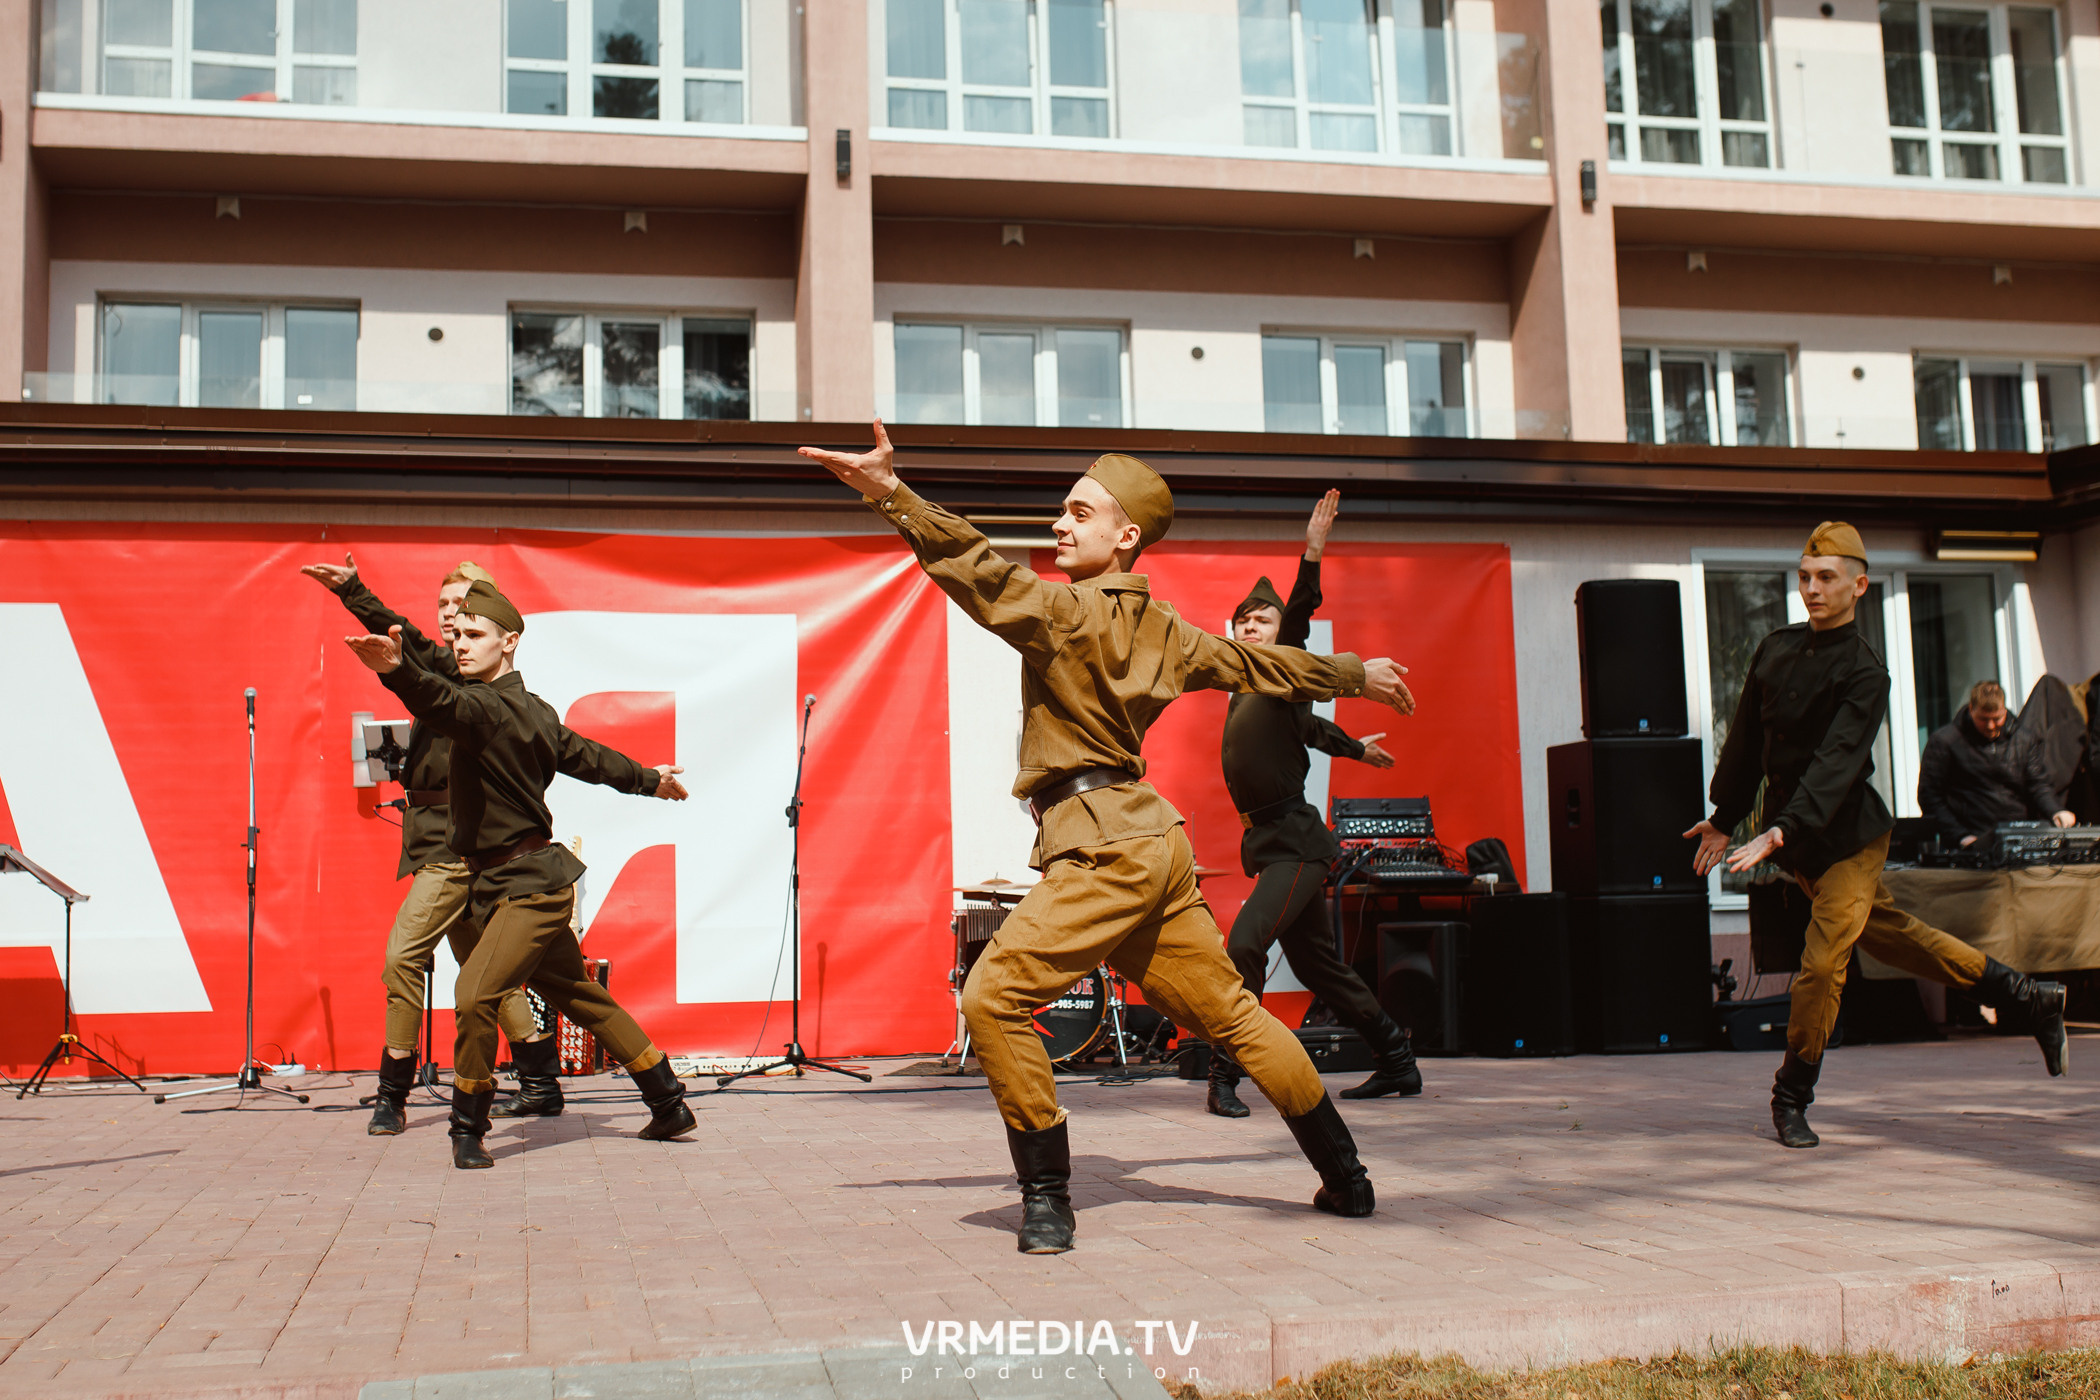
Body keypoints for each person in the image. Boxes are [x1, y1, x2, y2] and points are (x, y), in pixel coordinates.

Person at [799, 421, 1418, 1254]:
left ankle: (1046, 1198)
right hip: (1150, 842)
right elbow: (1258, 666)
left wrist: (891, 494)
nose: (1060, 524)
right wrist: (1352, 675)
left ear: (1125, 537)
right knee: (1235, 1016)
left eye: (1079, 513)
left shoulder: (1061, 612)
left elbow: (973, 568)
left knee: (992, 998)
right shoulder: (1168, 630)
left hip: (1104, 850)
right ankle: (1347, 1176)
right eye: (1064, 511)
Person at [1686, 523, 2068, 1151]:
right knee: (1900, 937)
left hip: (1850, 841)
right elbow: (1749, 743)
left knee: (1822, 963)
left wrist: (1780, 829)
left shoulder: (1866, 671)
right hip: (1800, 842)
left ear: (1859, 586)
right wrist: (1726, 816)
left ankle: (1790, 1095)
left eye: (1826, 577)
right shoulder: (1775, 649)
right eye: (1804, 577)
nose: (1811, 588)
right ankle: (2028, 997)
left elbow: (1836, 763)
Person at [342, 580, 698, 1168]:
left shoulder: (485, 708)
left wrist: (397, 671)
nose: (459, 644)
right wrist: (648, 779)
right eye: (456, 635)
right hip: (523, 883)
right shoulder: (534, 710)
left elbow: (439, 700)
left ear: (508, 642)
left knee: (473, 994)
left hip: (526, 888)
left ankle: (467, 1128)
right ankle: (667, 1100)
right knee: (579, 995)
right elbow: (587, 756)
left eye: (473, 635)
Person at [305, 557, 546, 1133]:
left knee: (403, 958)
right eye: (443, 606)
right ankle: (541, 1080)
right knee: (482, 968)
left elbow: (405, 638)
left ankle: (393, 1093)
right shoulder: (452, 668)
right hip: (431, 836)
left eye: (461, 607)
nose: (448, 616)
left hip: (452, 846)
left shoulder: (468, 677)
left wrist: (355, 591)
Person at [1207, 490, 1419, 1119]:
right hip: (1270, 841)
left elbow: (1298, 618)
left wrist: (1312, 552)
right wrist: (1356, 748)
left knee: (1244, 946)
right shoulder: (1248, 689)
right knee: (1319, 967)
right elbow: (1310, 728)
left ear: (1280, 635)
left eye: (1262, 621)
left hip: (1295, 843)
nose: (1252, 627)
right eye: (1243, 621)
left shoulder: (1284, 670)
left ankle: (1224, 1074)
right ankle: (1398, 1060)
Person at [1917, 680, 2076, 848]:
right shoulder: (1945, 742)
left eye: (1997, 718)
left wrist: (2056, 810)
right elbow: (1930, 797)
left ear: (2005, 710)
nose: (1991, 726)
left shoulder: (2024, 739)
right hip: (1969, 840)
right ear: (1971, 709)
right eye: (1983, 719)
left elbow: (2038, 784)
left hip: (2017, 837)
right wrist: (1961, 836)